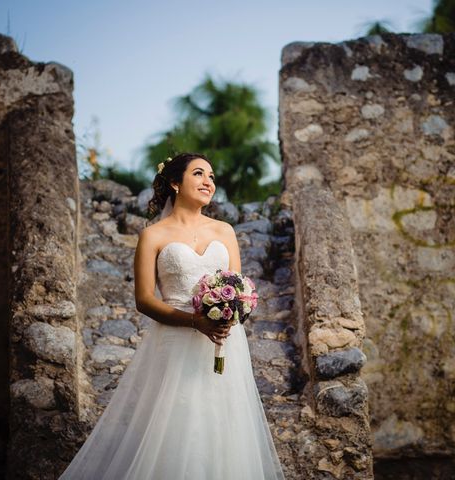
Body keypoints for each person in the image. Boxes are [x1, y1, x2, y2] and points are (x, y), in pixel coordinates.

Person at [59, 152, 285, 479]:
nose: (209, 181)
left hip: (223, 342)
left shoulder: (225, 232)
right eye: (198, 174)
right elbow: (144, 300)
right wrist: (195, 321)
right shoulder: (153, 236)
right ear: (176, 183)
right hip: (175, 342)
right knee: (178, 425)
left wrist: (229, 316)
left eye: (211, 176)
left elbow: (239, 288)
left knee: (223, 426)